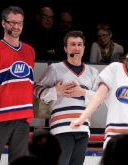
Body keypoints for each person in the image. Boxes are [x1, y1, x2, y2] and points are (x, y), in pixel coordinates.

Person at [0, 6, 35, 165]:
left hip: (23, 116)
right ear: (3, 23)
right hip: (0, 115)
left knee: (19, 161)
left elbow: (27, 83)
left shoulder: (30, 51)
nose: (16, 27)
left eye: (19, 23)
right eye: (12, 23)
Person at [34, 31, 99, 165]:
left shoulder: (92, 72)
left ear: (84, 48)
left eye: (79, 44)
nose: (76, 48)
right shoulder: (54, 69)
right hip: (61, 128)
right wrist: (55, 91)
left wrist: (83, 93)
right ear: (65, 48)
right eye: (73, 44)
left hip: (83, 128)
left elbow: (98, 101)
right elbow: (38, 90)